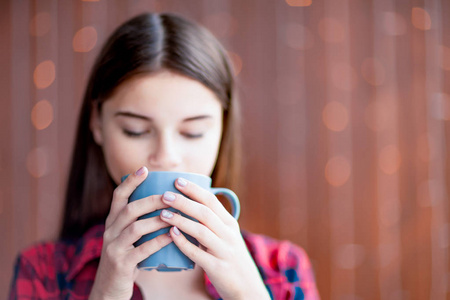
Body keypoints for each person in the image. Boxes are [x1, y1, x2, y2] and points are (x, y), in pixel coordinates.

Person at [9, 12, 320, 300]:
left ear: (223, 129)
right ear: (97, 124)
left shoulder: (283, 268)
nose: (167, 157)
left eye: (193, 132)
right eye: (135, 130)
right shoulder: (43, 272)